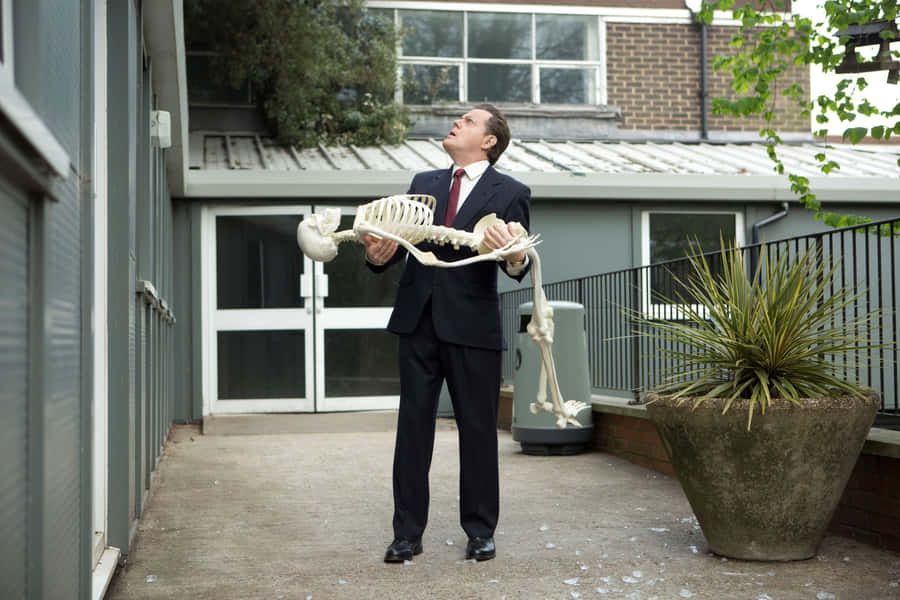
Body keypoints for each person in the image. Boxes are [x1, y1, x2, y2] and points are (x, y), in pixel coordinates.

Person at [365, 104, 531, 563]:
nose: (457, 122)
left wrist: (515, 255)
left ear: (490, 140)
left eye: (469, 121)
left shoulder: (512, 191)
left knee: (478, 432)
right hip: (418, 322)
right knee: (412, 431)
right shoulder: (424, 185)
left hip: (472, 328)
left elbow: (518, 263)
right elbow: (400, 245)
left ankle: (480, 532)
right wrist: (379, 255)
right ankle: (406, 534)